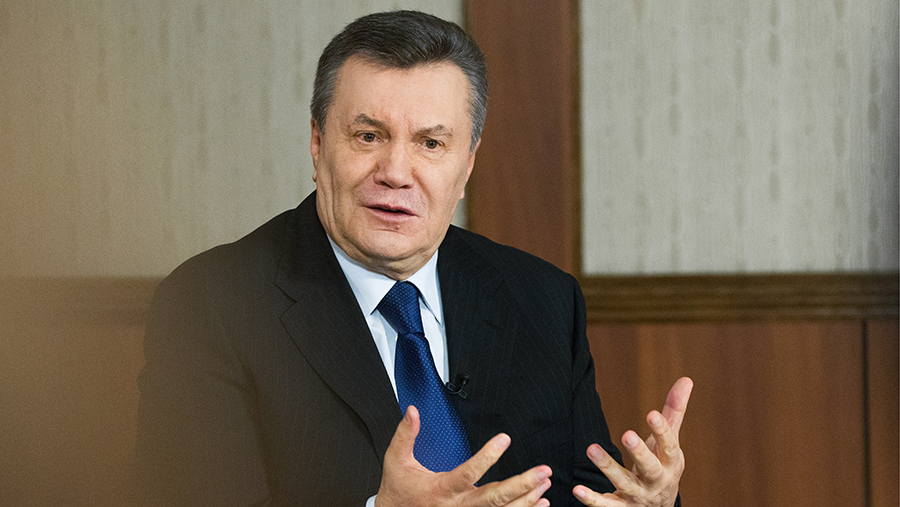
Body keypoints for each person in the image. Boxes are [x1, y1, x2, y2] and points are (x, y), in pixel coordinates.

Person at [133, 10, 692, 507]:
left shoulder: (542, 298)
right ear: (317, 143)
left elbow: (582, 494)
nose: (396, 173)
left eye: (430, 143)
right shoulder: (211, 305)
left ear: (467, 165)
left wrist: (647, 505)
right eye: (368, 136)